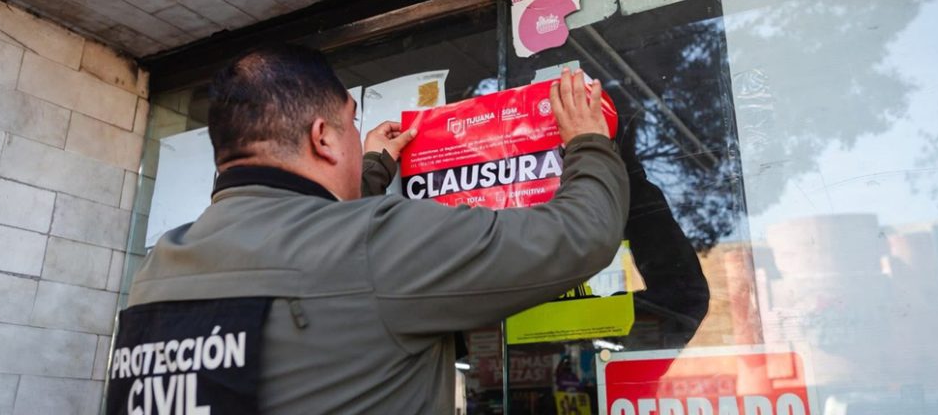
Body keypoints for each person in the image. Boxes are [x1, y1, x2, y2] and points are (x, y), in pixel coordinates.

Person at [105, 43, 630, 414]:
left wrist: (373, 169)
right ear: (323, 139)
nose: (359, 139)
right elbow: (580, 234)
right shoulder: (378, 244)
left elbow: (322, 268)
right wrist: (587, 142)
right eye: (352, 124)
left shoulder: (159, 267)